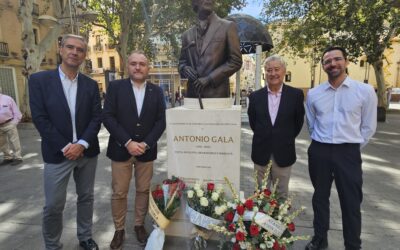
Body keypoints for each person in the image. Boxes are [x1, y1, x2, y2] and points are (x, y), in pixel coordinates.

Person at [29, 34, 101, 250]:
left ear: (84, 55)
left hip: (87, 153)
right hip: (56, 153)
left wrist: (82, 144)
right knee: (53, 205)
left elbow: (97, 117)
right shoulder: (39, 81)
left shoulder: (90, 84)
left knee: (86, 197)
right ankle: (52, 245)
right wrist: (66, 146)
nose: (74, 52)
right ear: (60, 49)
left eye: (79, 49)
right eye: (70, 47)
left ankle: (85, 236)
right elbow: (40, 118)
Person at [305, 46, 377, 250]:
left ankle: (353, 245)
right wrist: (323, 143)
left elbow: (368, 126)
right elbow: (311, 124)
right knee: (319, 198)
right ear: (323, 66)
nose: (332, 64)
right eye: (327, 61)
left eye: (337, 59)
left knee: (351, 202)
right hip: (320, 151)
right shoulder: (314, 94)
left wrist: (350, 146)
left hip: (348, 153)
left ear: (346, 61)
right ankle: (320, 239)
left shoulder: (364, 91)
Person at [102, 51, 166, 249]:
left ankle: (139, 225)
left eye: (142, 64)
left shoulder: (156, 91)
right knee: (119, 192)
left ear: (148, 68)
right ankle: (119, 229)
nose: (138, 67)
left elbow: (161, 121)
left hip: (146, 152)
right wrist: (128, 142)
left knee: (143, 190)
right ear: (127, 66)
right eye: (133, 64)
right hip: (121, 150)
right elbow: (108, 117)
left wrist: (146, 143)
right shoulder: (115, 87)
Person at [247, 55, 305, 199]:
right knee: (260, 195)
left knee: (281, 195)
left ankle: (279, 222)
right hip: (261, 153)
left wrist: (283, 137)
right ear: (264, 73)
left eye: (276, 69)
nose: (273, 73)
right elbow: (254, 123)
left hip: (284, 153)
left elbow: (298, 123)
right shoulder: (255, 97)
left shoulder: (296, 95)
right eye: (269, 70)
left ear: (284, 71)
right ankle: (260, 221)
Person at [178, 0, 242, 98]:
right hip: (192, 97)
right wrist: (184, 68)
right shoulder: (186, 35)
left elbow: (236, 61)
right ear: (195, 2)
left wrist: (209, 79)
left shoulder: (228, 27)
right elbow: (182, 62)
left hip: (217, 96)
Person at [0, 88, 23, 166]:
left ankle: (18, 157)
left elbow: (17, 112)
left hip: (9, 123)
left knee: (14, 141)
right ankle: (7, 157)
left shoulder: (8, 99)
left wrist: (14, 123)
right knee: (2, 143)